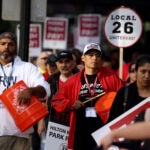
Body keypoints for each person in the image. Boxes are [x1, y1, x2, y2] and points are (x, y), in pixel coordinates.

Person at [51, 43, 124, 150]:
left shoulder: (111, 76)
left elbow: (124, 96)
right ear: (83, 58)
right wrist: (71, 103)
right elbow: (56, 101)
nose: (94, 58)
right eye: (90, 55)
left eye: (97, 55)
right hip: (80, 131)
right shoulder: (73, 81)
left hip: (105, 130)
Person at [0, 32, 50, 150]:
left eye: (10, 44)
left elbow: (45, 90)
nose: (6, 47)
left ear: (16, 46)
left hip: (20, 136)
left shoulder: (27, 68)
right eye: (3, 43)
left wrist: (31, 90)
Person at [108, 55, 150, 122]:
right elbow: (111, 122)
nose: (147, 76)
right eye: (143, 71)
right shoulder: (124, 93)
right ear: (136, 72)